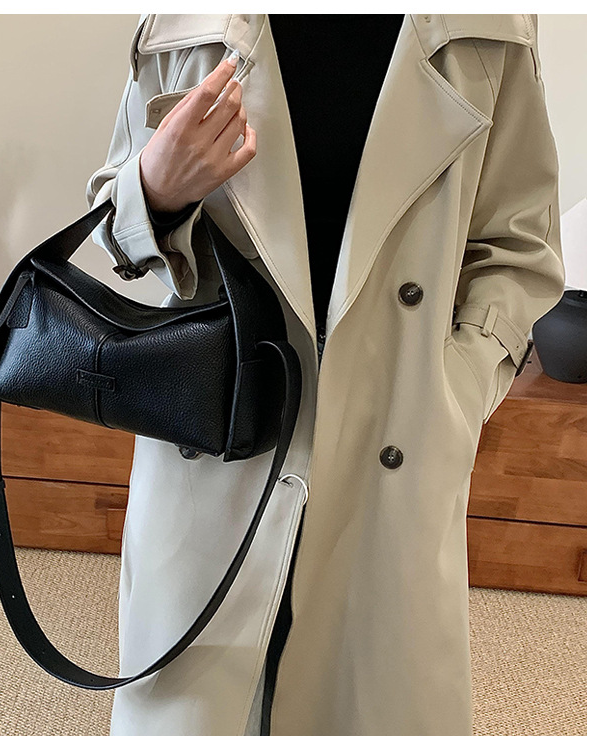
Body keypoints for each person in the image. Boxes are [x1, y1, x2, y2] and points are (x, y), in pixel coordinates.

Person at [86, 14, 565, 735]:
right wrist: (153, 189)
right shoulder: (190, 24)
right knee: (197, 712)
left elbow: (519, 245)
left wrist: (458, 386)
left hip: (394, 437)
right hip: (219, 431)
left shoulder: (486, 29)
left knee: (368, 704)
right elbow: (113, 227)